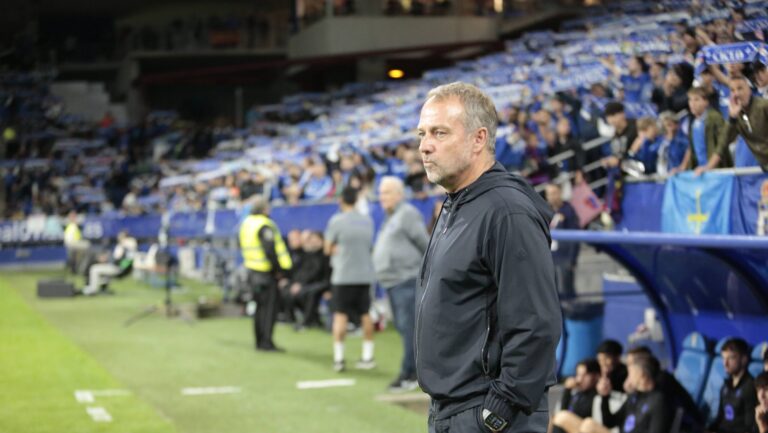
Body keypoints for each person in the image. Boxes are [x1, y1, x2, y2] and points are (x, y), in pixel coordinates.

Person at [415, 82, 561, 433]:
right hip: (452, 410)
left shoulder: (506, 210)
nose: (425, 146)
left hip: (485, 413)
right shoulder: (459, 202)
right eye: (422, 134)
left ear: (478, 139)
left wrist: (499, 411)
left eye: (439, 133)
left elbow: (536, 322)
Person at [372, 176, 429, 393]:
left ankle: (410, 374)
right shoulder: (391, 217)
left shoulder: (407, 214)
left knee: (409, 329)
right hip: (393, 282)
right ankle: (410, 371)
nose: (382, 197)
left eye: (386, 192)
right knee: (404, 328)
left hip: (406, 279)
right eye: (380, 193)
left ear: (399, 194)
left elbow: (425, 244)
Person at [324, 187, 376, 373]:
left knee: (340, 315)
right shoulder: (367, 221)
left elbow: (327, 248)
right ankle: (368, 357)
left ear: (341, 200)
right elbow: (369, 246)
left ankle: (339, 359)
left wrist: (338, 249)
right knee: (365, 314)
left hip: (343, 276)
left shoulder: (336, 221)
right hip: (364, 275)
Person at [239, 197, 293, 352]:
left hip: (252, 271)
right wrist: (278, 271)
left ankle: (259, 341)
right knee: (269, 309)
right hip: (265, 273)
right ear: (264, 209)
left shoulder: (247, 223)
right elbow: (270, 249)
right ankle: (266, 342)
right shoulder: (264, 225)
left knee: (259, 308)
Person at [578, 352, 673, 433]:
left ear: (641, 375)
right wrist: (605, 396)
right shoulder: (634, 396)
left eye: (630, 373)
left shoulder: (658, 401)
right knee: (585, 423)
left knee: (589, 425)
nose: (628, 378)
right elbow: (609, 423)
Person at [708, 337, 758, 433]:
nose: (725, 363)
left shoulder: (750, 387)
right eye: (723, 358)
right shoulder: (725, 385)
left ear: (744, 359)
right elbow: (719, 418)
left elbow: (749, 427)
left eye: (731, 358)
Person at [721, 76, 768, 172]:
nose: (736, 94)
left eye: (740, 88)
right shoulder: (737, 115)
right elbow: (724, 142)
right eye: (732, 90)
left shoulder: (763, 106)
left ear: (749, 90)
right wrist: (732, 118)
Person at [681, 87, 731, 175]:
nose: (692, 104)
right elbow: (691, 148)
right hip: (700, 171)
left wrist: (709, 166)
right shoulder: (693, 123)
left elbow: (722, 144)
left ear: (706, 102)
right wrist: (682, 167)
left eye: (696, 99)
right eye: (690, 100)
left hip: (716, 171)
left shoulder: (714, 117)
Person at [545, 183, 580, 300]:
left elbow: (575, 236)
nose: (552, 197)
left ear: (560, 193)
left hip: (565, 257)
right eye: (549, 194)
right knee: (551, 292)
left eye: (554, 193)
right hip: (549, 257)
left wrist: (572, 259)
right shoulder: (544, 211)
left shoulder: (569, 210)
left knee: (567, 290)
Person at [551, 359, 601, 433]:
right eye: (578, 375)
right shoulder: (578, 394)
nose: (579, 379)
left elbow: (565, 416)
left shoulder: (598, 396)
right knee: (551, 419)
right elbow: (562, 412)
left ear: (596, 376)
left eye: (585, 375)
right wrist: (567, 391)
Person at [82, 230, 137, 295]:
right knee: (97, 266)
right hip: (116, 266)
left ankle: (92, 290)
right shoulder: (122, 245)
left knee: (94, 269)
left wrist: (121, 267)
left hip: (117, 268)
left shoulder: (127, 244)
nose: (118, 237)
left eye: (121, 236)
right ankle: (102, 289)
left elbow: (123, 259)